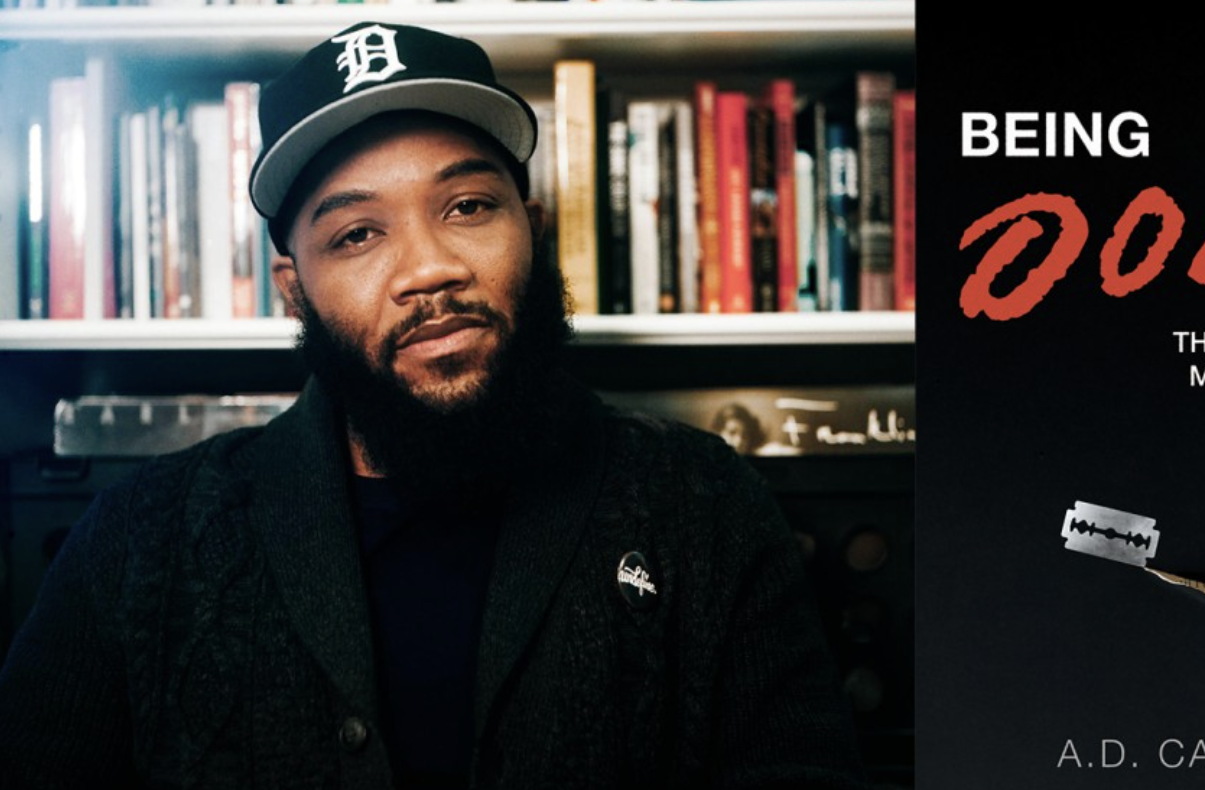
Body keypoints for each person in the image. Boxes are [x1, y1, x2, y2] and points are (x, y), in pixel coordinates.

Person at [0, 22, 868, 789]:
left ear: (530, 227)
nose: (431, 268)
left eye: (467, 206)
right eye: (357, 234)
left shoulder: (703, 510)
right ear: (294, 295)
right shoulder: (137, 546)